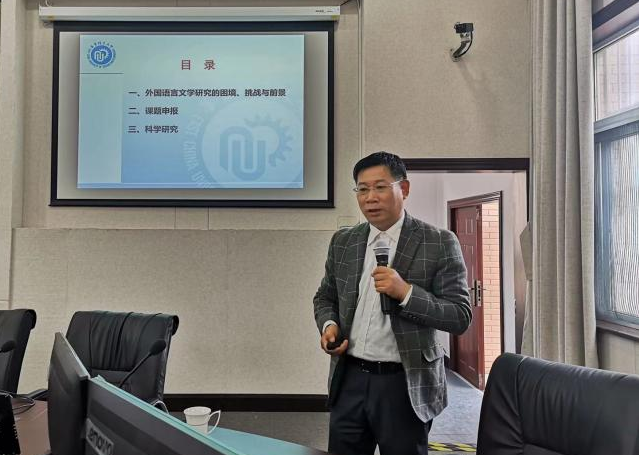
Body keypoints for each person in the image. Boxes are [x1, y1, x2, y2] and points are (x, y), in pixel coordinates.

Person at [313, 152, 472, 455]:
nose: (370, 197)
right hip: (350, 379)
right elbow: (325, 296)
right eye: (362, 189)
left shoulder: (439, 242)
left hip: (405, 383)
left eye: (380, 187)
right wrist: (329, 325)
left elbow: (459, 316)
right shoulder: (344, 241)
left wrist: (407, 292)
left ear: (404, 189)